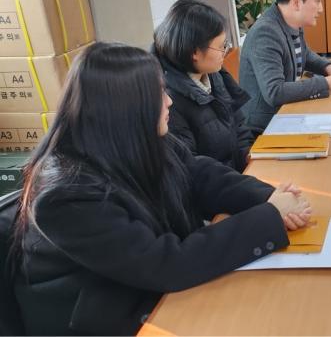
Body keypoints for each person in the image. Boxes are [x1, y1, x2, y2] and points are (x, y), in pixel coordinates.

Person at [12, 43, 312, 335]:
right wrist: (270, 217)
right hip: (105, 316)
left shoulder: (133, 137)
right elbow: (165, 263)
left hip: (145, 291)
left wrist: (269, 197)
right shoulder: (65, 196)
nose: (169, 101)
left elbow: (199, 173)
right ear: (125, 108)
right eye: (158, 93)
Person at [239, 0, 331, 130]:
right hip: (264, 127)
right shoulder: (265, 33)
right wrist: (326, 83)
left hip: (287, 114)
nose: (321, 9)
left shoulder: (289, 21)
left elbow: (304, 54)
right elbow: (275, 92)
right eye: (317, 1)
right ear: (296, 2)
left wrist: (327, 66)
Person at [153, 0, 256, 172]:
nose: (226, 51)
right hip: (216, 189)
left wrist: (248, 156)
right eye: (221, 46)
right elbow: (193, 168)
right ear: (195, 52)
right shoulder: (169, 100)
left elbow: (239, 124)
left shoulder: (214, 74)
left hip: (240, 175)